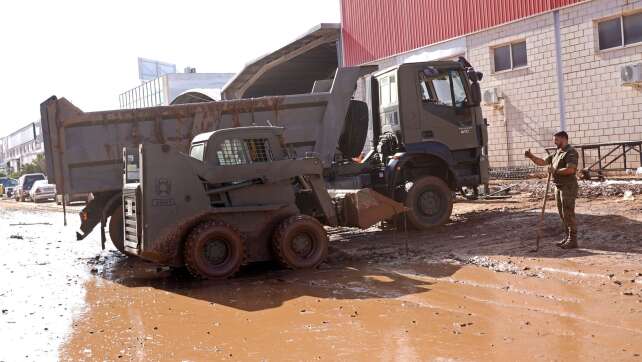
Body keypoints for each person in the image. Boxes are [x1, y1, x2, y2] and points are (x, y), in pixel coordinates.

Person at [524, 131, 579, 249]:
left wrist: (555, 171)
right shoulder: (557, 153)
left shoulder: (571, 152)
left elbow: (571, 170)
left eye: (557, 140)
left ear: (564, 139)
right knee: (562, 213)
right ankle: (567, 237)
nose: (554, 143)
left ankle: (573, 239)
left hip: (568, 187)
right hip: (559, 186)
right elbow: (543, 162)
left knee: (568, 213)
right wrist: (531, 156)